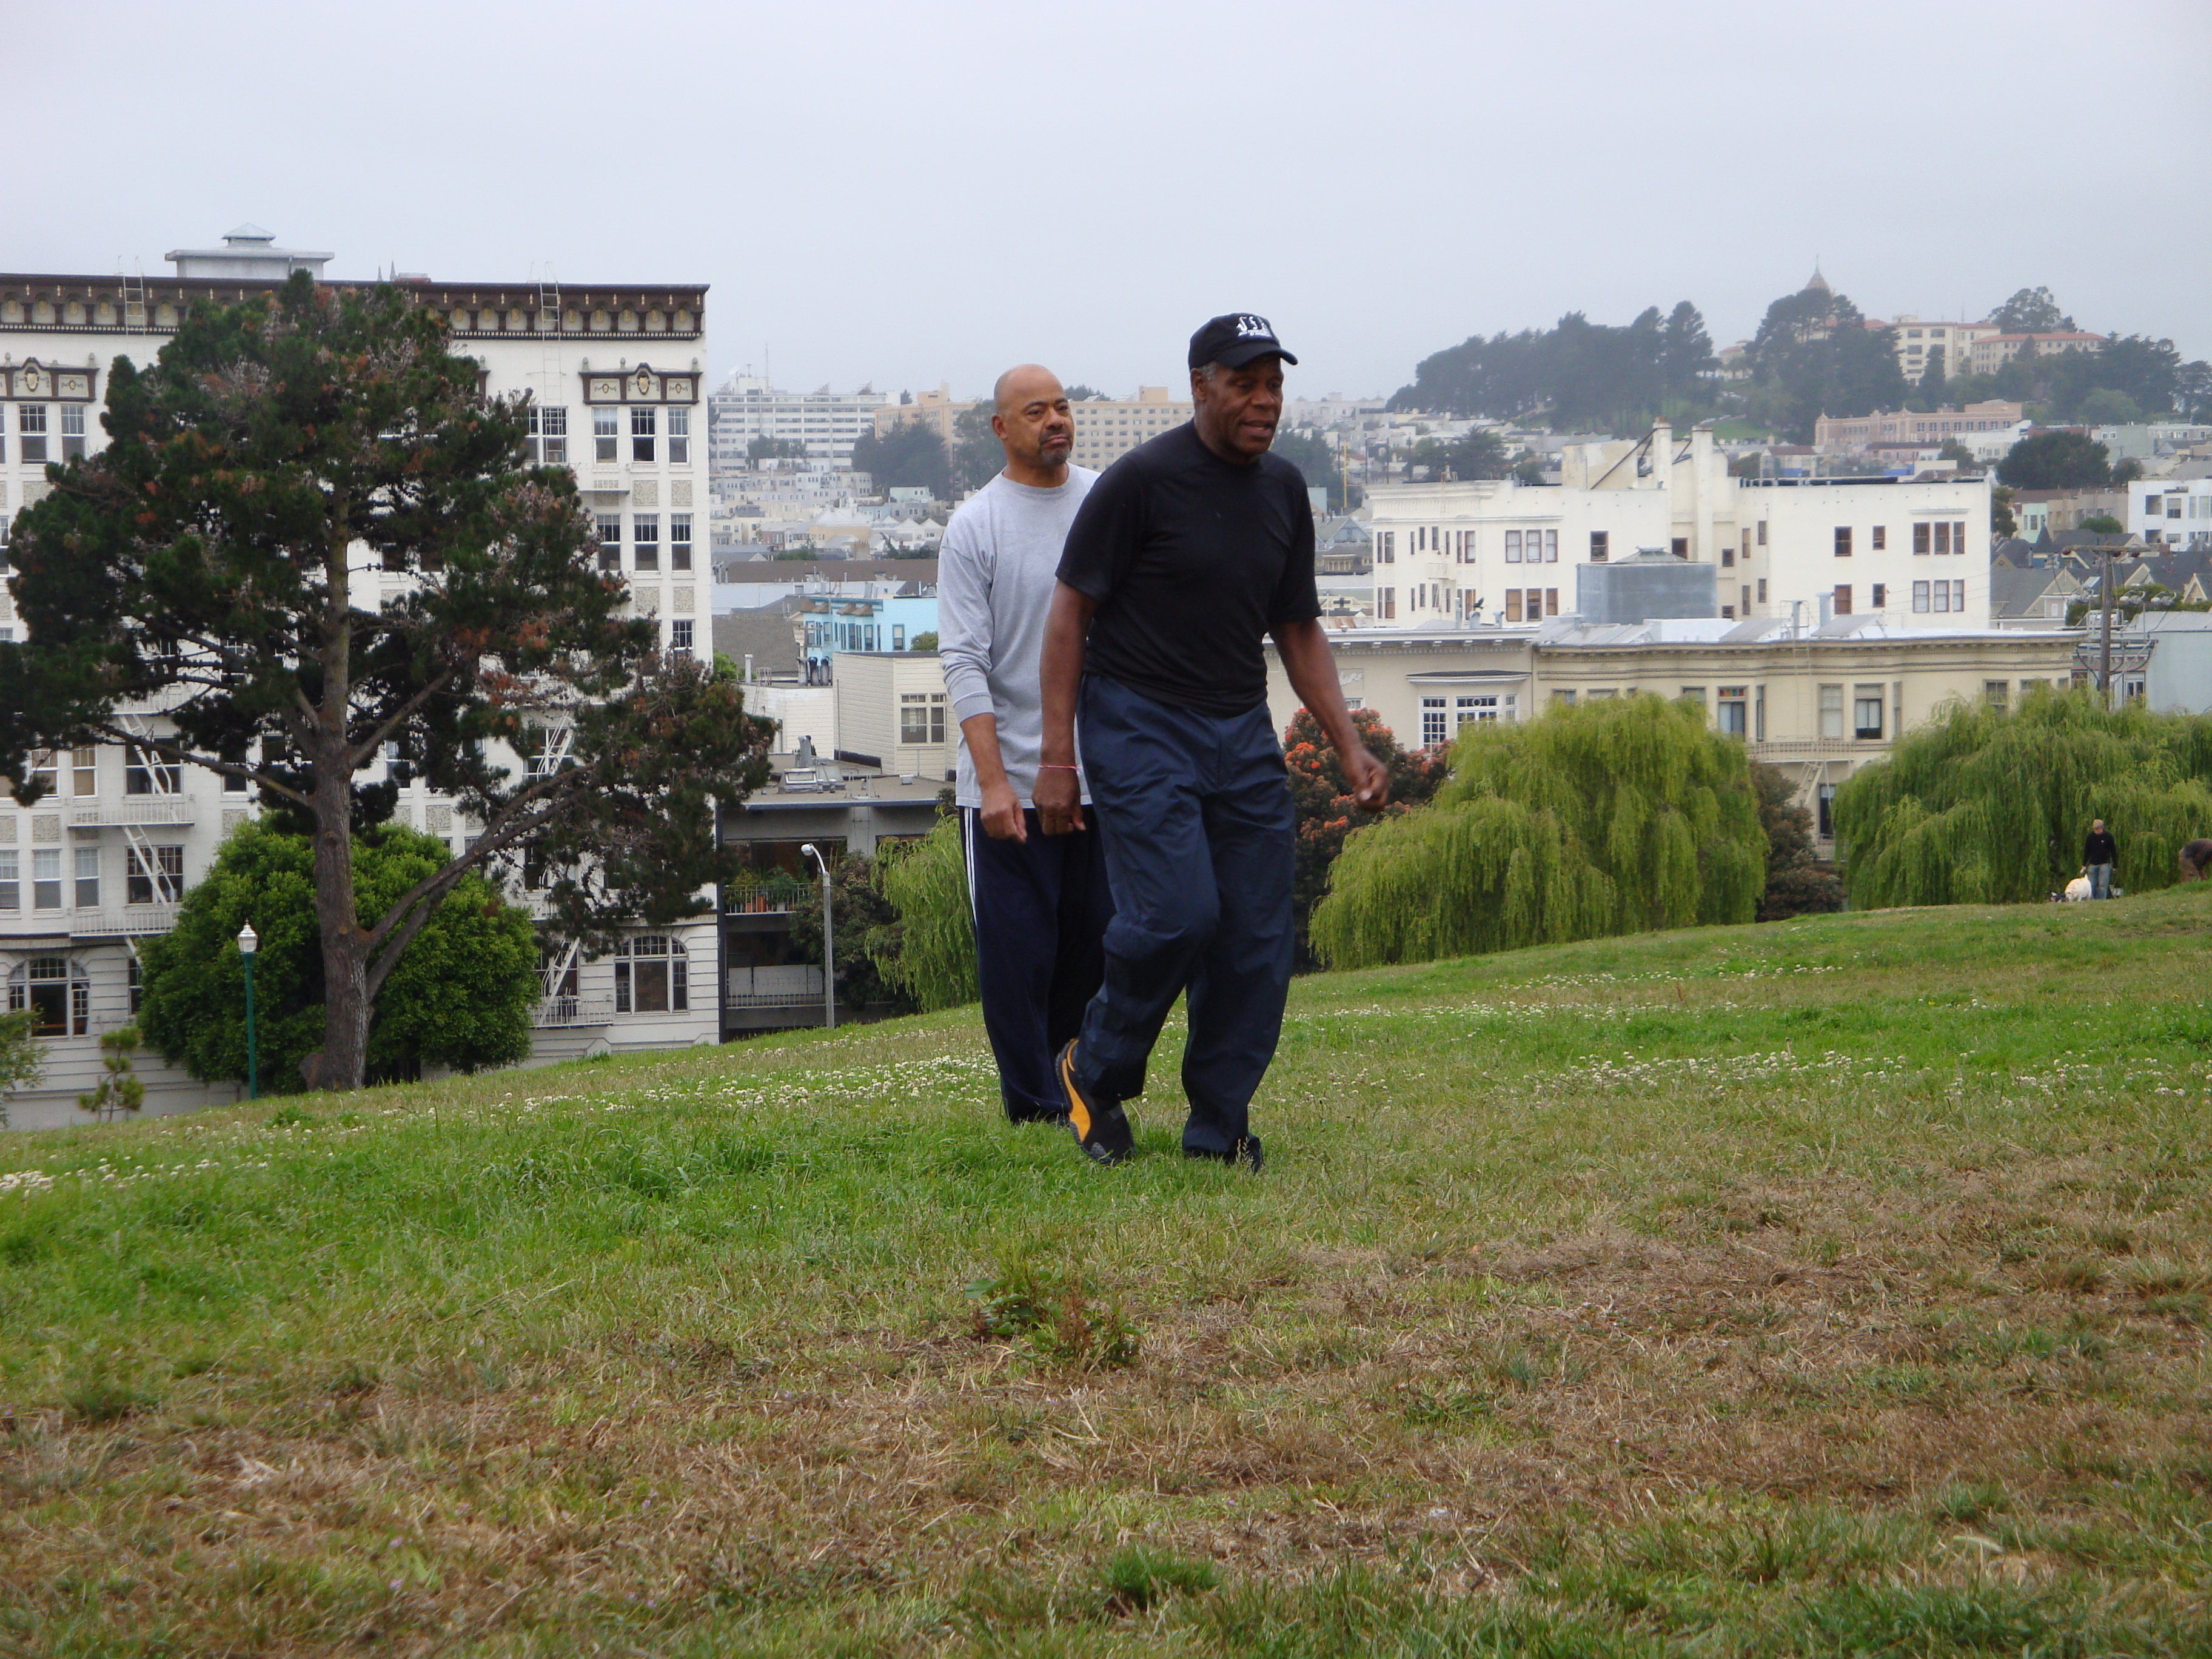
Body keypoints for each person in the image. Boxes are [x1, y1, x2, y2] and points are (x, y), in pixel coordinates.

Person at [1033, 313, 1387, 1170]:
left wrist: (1348, 743)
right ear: (1203, 386)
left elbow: (1298, 628)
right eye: (1246, 384)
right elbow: (1068, 619)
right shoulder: (1141, 483)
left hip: (1238, 729)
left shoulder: (1283, 492)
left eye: (1275, 385)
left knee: (1256, 938)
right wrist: (1055, 760)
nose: (1264, 401)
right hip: (1138, 722)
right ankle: (1095, 1065)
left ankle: (1218, 1125)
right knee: (1175, 914)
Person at [937, 366, 1114, 1124]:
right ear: (1001, 428)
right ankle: (1035, 1107)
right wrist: (996, 783)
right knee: (1017, 960)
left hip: (1104, 777)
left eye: (1064, 406)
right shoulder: (976, 525)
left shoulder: (1108, 504)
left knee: (1095, 951)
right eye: (1036, 410)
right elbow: (964, 661)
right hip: (1005, 784)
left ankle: (1079, 1090)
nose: (1055, 421)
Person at [2083, 818, 2117, 899]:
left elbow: (2113, 851)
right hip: (2093, 864)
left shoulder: (2108, 837)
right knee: (2091, 885)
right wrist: (2084, 864)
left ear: (2102, 828)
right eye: (2095, 829)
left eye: (2098, 829)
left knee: (2103, 885)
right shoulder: (2090, 837)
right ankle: (2092, 901)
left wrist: (2115, 865)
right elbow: (2087, 851)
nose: (2096, 831)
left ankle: (2101, 901)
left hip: (2105, 864)